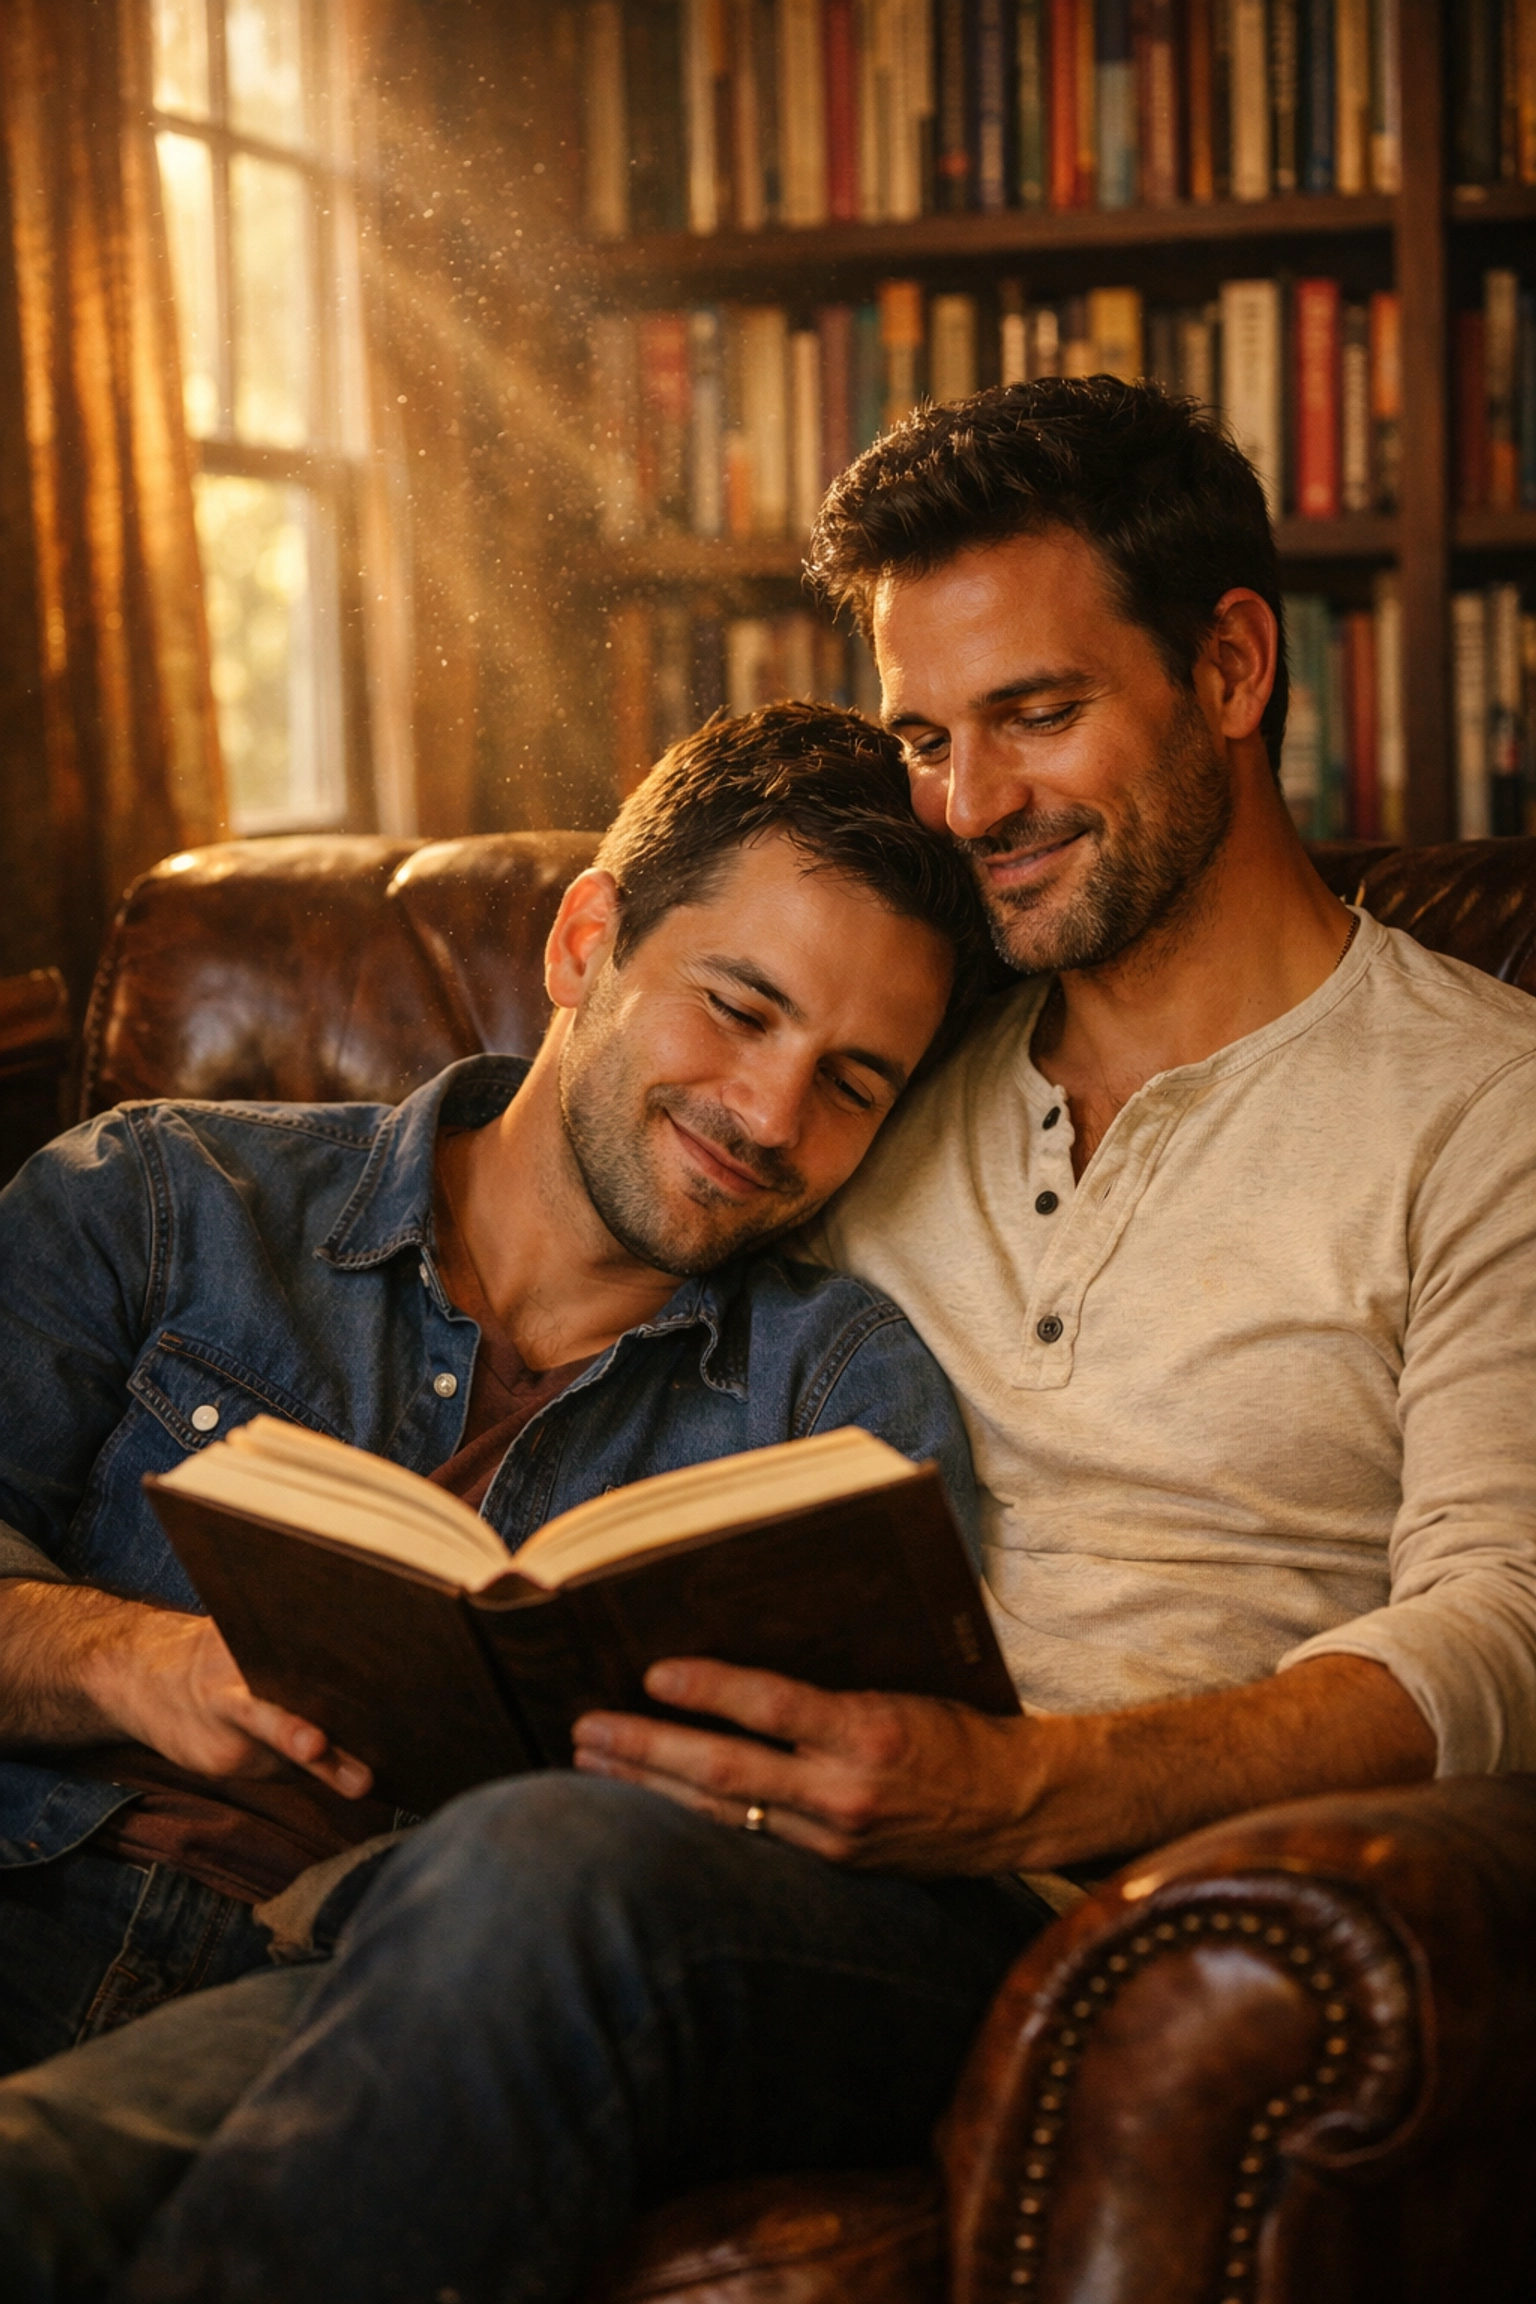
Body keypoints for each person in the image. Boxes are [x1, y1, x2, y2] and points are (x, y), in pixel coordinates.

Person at [16, 379, 1536, 2300]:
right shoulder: (882, 1076)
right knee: (99, 2145)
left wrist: (1022, 1787)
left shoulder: (1487, 1109)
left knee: (533, 1875)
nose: (971, 802)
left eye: (1037, 715)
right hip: (702, 1857)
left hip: (1069, 1906)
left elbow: (1509, 1626)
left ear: (1231, 664)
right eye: (926, 732)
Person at [0, 700, 1005, 2083]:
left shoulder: (838, 1402)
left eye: (851, 1082)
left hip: (376, 2031)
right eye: (739, 1008)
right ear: (587, 943)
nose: (773, 1116)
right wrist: (134, 1660)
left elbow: (855, 1863)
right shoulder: (164, 1197)